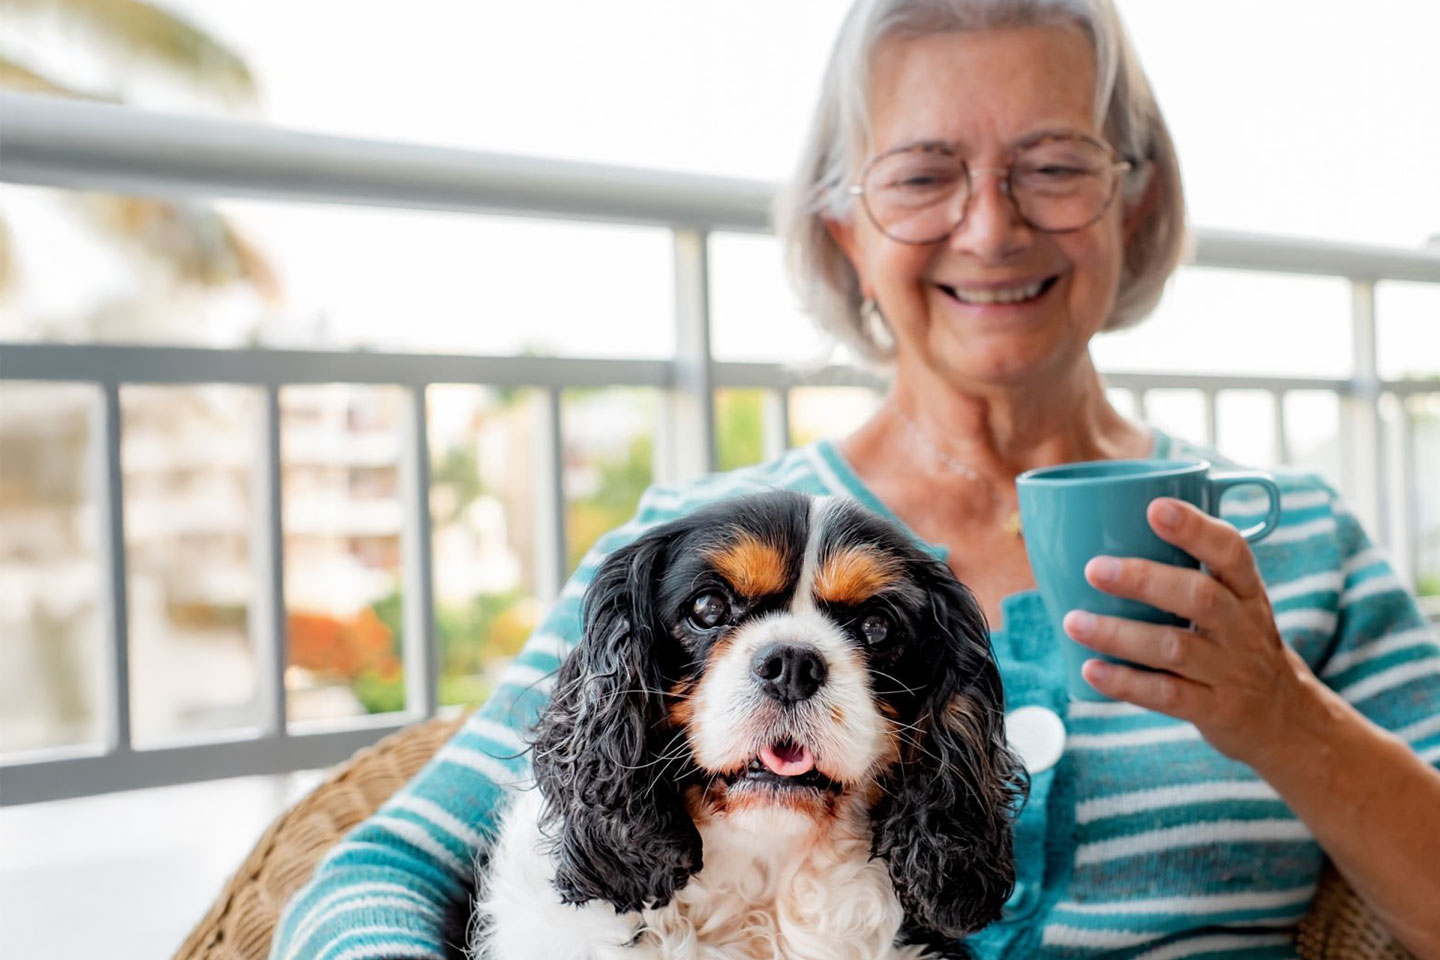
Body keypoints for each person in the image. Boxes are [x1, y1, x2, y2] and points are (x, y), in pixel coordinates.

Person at [269, 2, 1440, 958]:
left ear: (1133, 205)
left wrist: (1289, 719)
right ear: (844, 231)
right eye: (925, 175)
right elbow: (385, 872)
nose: (990, 227)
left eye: (1053, 166)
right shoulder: (684, 557)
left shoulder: (1295, 548)